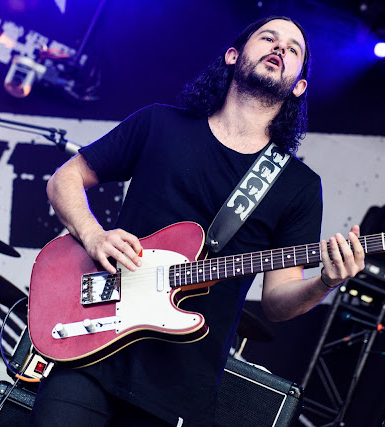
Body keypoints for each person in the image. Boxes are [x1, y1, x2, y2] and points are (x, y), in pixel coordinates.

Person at [29, 16, 365, 427]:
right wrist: (93, 234)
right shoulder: (159, 124)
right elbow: (65, 178)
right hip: (91, 351)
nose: (280, 48)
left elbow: (277, 303)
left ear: (299, 86)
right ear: (233, 55)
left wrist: (326, 282)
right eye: (268, 38)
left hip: (178, 389)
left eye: (293, 49)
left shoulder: (297, 185)